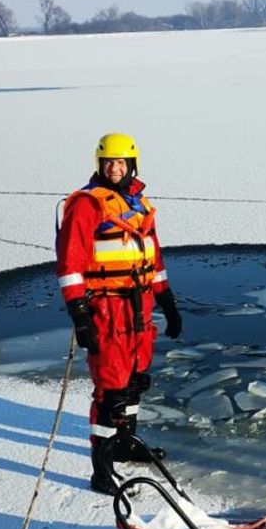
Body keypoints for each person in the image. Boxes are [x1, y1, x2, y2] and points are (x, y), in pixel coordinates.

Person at [56, 132, 183, 495]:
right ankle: (102, 468)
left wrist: (168, 302)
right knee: (111, 390)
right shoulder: (87, 205)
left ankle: (127, 445)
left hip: (139, 309)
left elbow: (154, 261)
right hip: (107, 310)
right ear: (99, 165)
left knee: (134, 382)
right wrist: (80, 315)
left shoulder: (140, 205)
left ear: (132, 165)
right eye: (108, 162)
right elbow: (70, 265)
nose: (114, 168)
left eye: (121, 162)